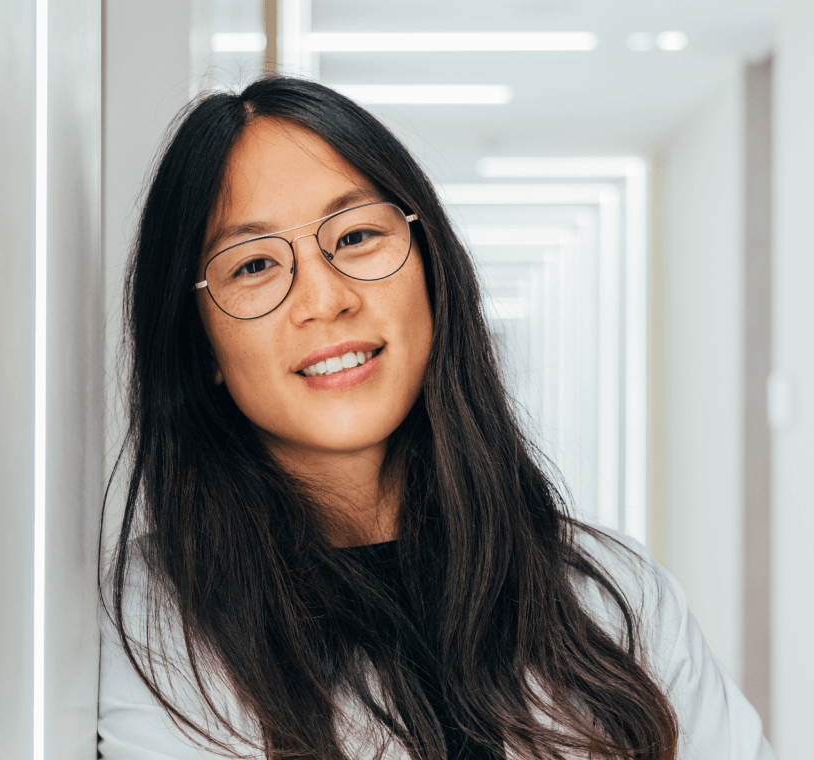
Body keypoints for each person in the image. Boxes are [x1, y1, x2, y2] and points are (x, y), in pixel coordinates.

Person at [98, 77, 773, 760]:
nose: (324, 299)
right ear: (199, 342)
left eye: (357, 234)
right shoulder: (148, 633)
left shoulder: (614, 598)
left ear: (431, 267)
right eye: (255, 265)